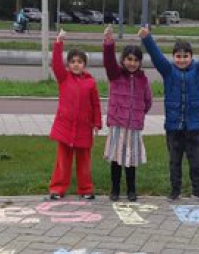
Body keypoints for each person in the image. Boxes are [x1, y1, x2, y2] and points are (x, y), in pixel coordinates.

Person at [140, 23, 199, 201]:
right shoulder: (167, 71)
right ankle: (175, 190)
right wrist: (146, 38)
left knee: (195, 161)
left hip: (193, 126)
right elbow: (156, 56)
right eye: (178, 56)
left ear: (191, 57)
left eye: (186, 56)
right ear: (173, 57)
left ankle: (197, 189)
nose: (182, 60)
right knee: (175, 161)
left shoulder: (198, 70)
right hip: (173, 126)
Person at [48, 29, 102, 200]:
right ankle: (57, 188)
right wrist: (58, 43)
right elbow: (56, 64)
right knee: (62, 161)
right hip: (65, 127)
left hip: (84, 128)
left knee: (84, 162)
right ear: (68, 64)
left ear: (84, 64)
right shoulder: (64, 78)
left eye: (79, 61)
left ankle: (85, 189)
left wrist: (97, 122)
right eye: (72, 62)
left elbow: (96, 104)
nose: (76, 64)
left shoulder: (91, 82)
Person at [102, 25, 152, 202]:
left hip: (134, 127)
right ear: (123, 60)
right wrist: (109, 42)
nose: (132, 63)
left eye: (136, 60)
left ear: (140, 62)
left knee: (131, 161)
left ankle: (131, 189)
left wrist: (138, 114)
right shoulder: (116, 75)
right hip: (118, 126)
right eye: (129, 59)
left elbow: (148, 101)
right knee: (116, 160)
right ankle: (115, 189)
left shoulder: (143, 79)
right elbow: (108, 62)